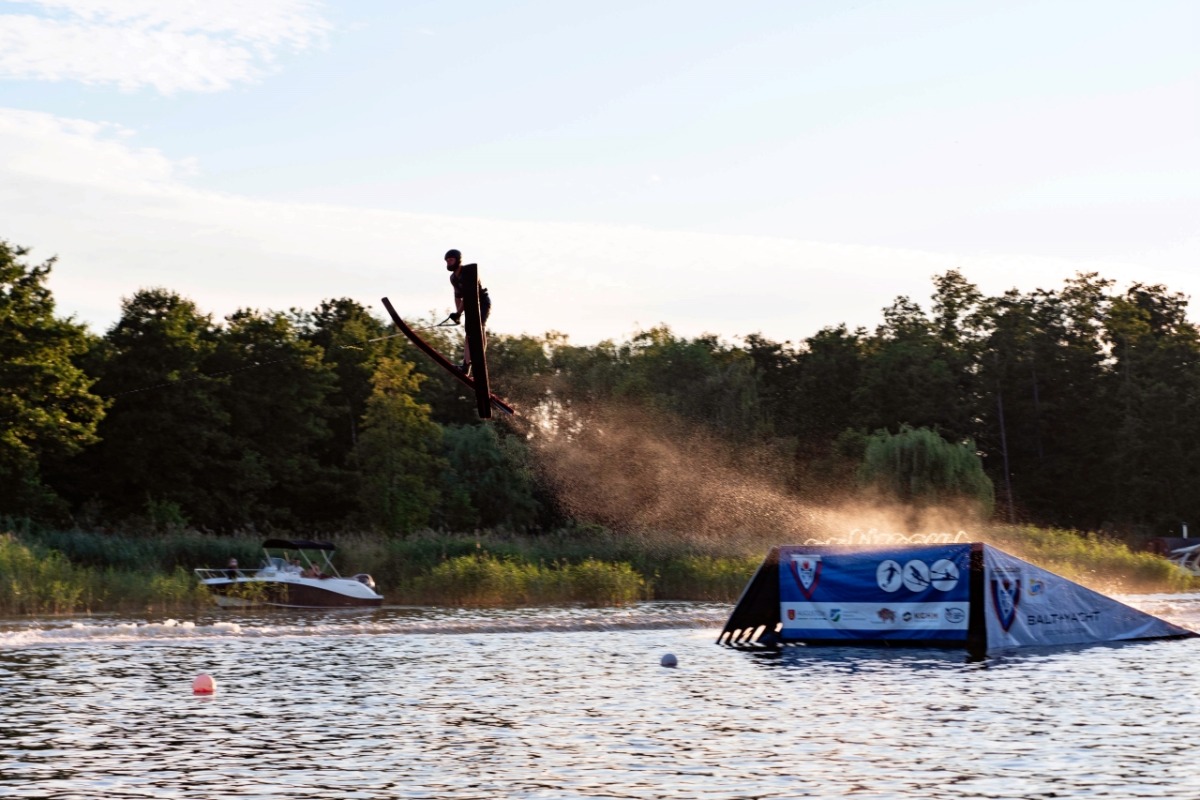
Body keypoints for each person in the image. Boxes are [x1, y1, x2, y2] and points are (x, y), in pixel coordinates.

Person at [444, 249, 491, 377]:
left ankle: (479, 361)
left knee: (479, 328)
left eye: (451, 260)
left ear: (458, 260)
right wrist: (457, 313)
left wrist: (458, 313)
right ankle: (465, 366)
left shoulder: (468, 272)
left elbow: (467, 295)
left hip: (482, 302)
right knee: (469, 334)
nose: (448, 263)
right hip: (470, 304)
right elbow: (457, 296)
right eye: (447, 261)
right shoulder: (453, 278)